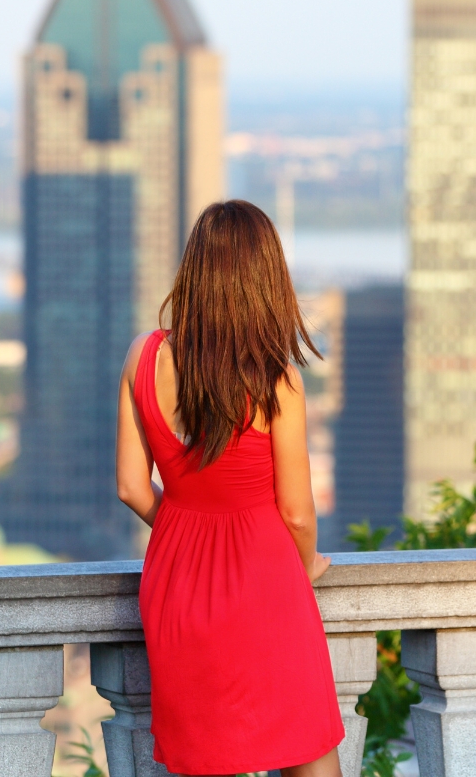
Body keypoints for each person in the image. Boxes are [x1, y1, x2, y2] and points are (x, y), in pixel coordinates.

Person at [115, 199, 343, 776]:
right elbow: (295, 511)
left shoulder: (144, 356)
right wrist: (303, 565)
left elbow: (130, 488)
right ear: (266, 279)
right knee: (307, 754)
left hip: (175, 587)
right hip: (266, 585)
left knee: (203, 759)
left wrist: (188, 525)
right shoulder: (275, 379)